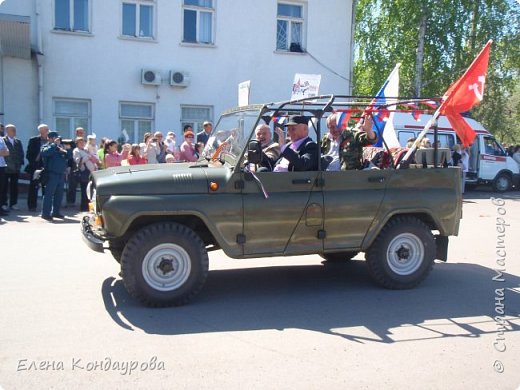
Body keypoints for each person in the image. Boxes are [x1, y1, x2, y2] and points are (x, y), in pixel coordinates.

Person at [40, 131, 68, 221]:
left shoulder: (60, 148)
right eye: (55, 138)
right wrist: (54, 145)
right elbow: (44, 153)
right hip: (51, 173)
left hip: (61, 174)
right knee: (48, 194)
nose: (58, 140)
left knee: (59, 195)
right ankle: (45, 213)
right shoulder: (46, 146)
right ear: (50, 138)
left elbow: (69, 156)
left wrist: (67, 150)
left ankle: (56, 212)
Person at [25, 123, 49, 211]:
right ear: (40, 131)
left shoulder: (51, 140)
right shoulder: (34, 140)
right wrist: (35, 163)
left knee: (46, 187)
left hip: (47, 166)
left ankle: (46, 207)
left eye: (47, 130)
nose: (46, 132)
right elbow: (28, 155)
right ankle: (32, 206)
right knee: (33, 187)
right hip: (36, 167)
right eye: (45, 130)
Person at [1, 124, 24, 211]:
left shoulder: (18, 141)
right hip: (5, 168)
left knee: (14, 187)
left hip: (15, 168)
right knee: (4, 187)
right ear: (7, 131)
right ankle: (4, 203)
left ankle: (13, 203)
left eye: (15, 130)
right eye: (12, 130)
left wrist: (19, 164)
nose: (14, 132)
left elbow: (21, 153)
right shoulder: (3, 140)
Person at [73, 137, 96, 212]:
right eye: (80, 142)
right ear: (77, 143)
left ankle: (89, 206)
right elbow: (78, 161)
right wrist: (87, 157)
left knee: (90, 190)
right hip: (84, 173)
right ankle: (83, 207)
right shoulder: (76, 151)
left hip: (91, 173)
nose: (82, 144)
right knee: (84, 191)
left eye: (83, 142)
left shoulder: (86, 150)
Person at [0, 135, 9, 217]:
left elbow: (7, 152)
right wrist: (1, 152)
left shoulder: (1, 139)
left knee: (2, 188)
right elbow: (3, 152)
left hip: (1, 166)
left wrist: (3, 152)